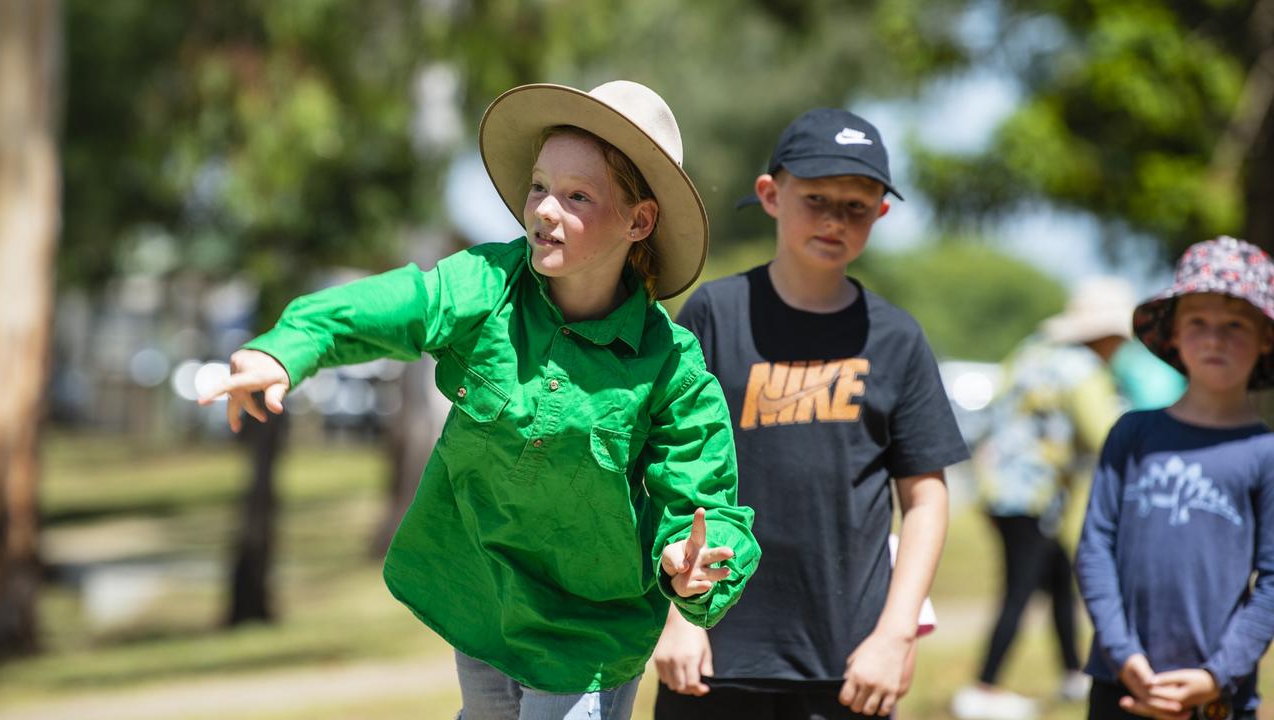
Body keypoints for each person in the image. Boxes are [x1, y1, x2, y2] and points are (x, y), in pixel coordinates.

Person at [198, 80, 761, 720]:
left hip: (588, 635)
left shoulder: (674, 370)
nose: (546, 209)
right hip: (482, 598)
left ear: (639, 220)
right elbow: (400, 307)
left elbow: (707, 508)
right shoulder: (487, 284)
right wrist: (288, 346)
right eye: (539, 186)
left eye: (578, 196)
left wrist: (699, 569)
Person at [652, 107, 967, 720]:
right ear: (771, 195)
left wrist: (895, 635)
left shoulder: (897, 338)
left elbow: (926, 498)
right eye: (816, 197)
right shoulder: (715, 314)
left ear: (880, 213)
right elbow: (661, 475)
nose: (834, 219)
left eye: (856, 205)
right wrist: (676, 618)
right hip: (713, 652)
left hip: (851, 664)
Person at [1075, 236, 1274, 720]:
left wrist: (1216, 675)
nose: (1214, 339)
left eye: (1234, 325)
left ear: (1265, 337)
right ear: (1174, 334)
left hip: (1216, 696)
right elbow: (1095, 546)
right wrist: (1123, 655)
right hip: (1120, 682)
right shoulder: (1133, 433)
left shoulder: (1264, 453)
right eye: (1198, 323)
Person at [952, 277, 1137, 720]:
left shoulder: (1032, 352)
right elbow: (1106, 435)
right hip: (1033, 497)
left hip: (998, 490)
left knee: (1057, 579)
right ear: (1107, 335)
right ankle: (984, 686)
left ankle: (1073, 673)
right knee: (1019, 590)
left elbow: (993, 412)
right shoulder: (1084, 370)